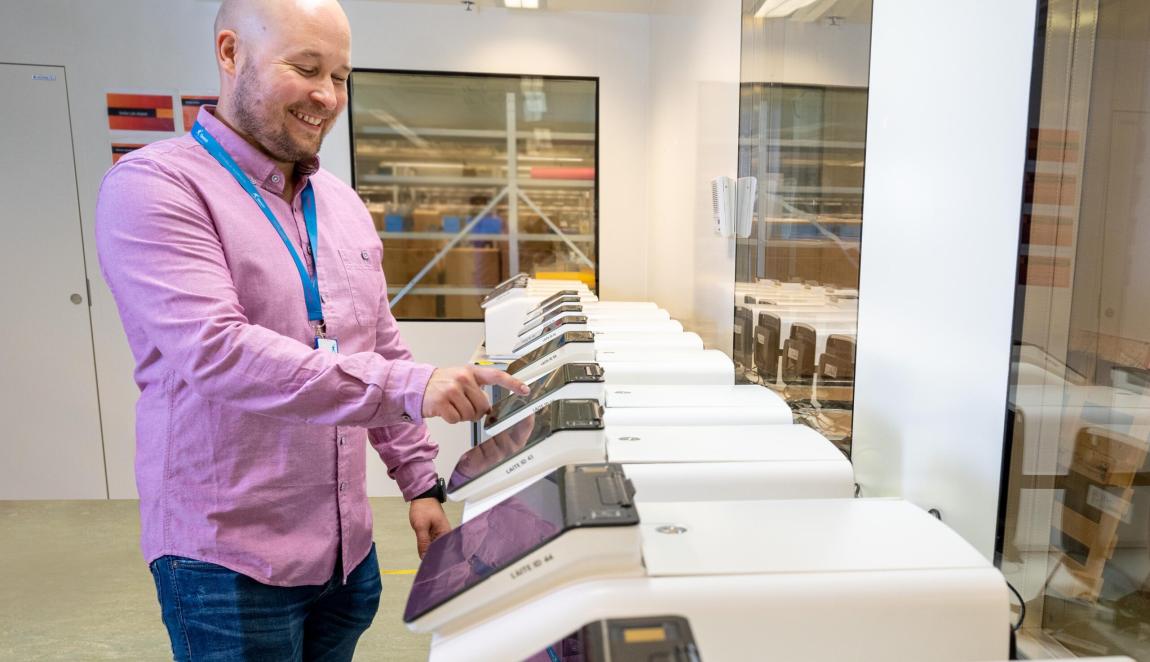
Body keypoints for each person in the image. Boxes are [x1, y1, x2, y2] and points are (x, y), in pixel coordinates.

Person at [94, 0, 528, 659]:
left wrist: (420, 482)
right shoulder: (157, 188)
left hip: (346, 555)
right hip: (229, 565)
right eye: (305, 68)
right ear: (231, 52)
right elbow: (218, 352)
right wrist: (413, 387)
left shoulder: (341, 204)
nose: (327, 96)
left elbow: (378, 344)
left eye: (341, 76)